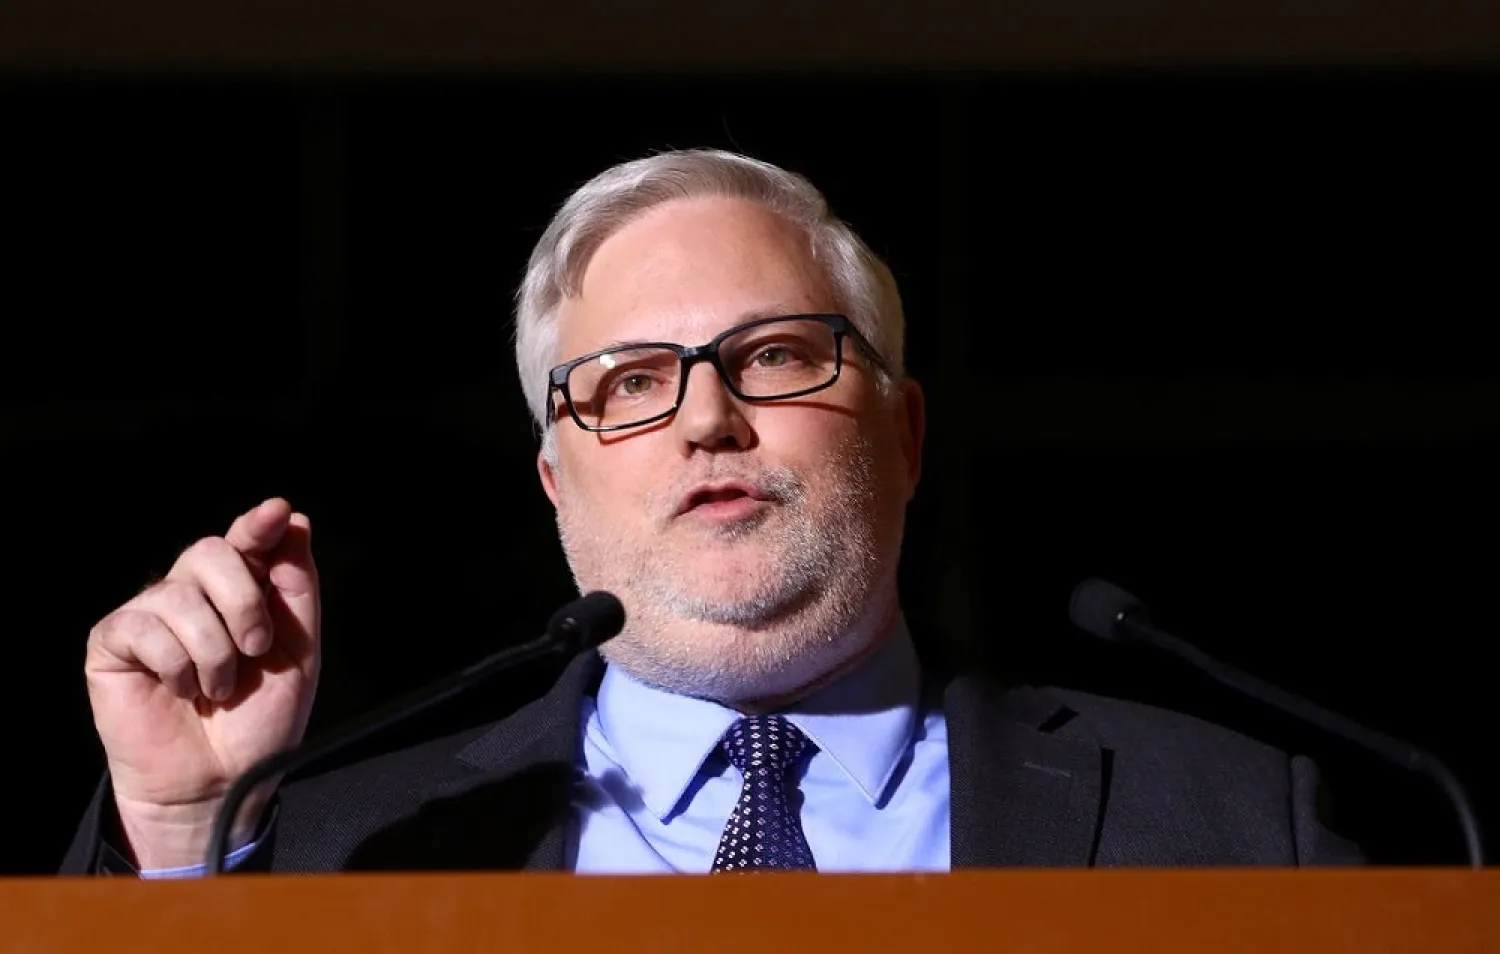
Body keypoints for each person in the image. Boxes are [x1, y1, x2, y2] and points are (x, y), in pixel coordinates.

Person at [61, 149, 1362, 876]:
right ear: (557, 483)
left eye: (780, 354)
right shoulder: (338, 848)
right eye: (630, 382)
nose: (704, 419)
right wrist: (185, 837)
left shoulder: (1238, 823)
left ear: (904, 435)